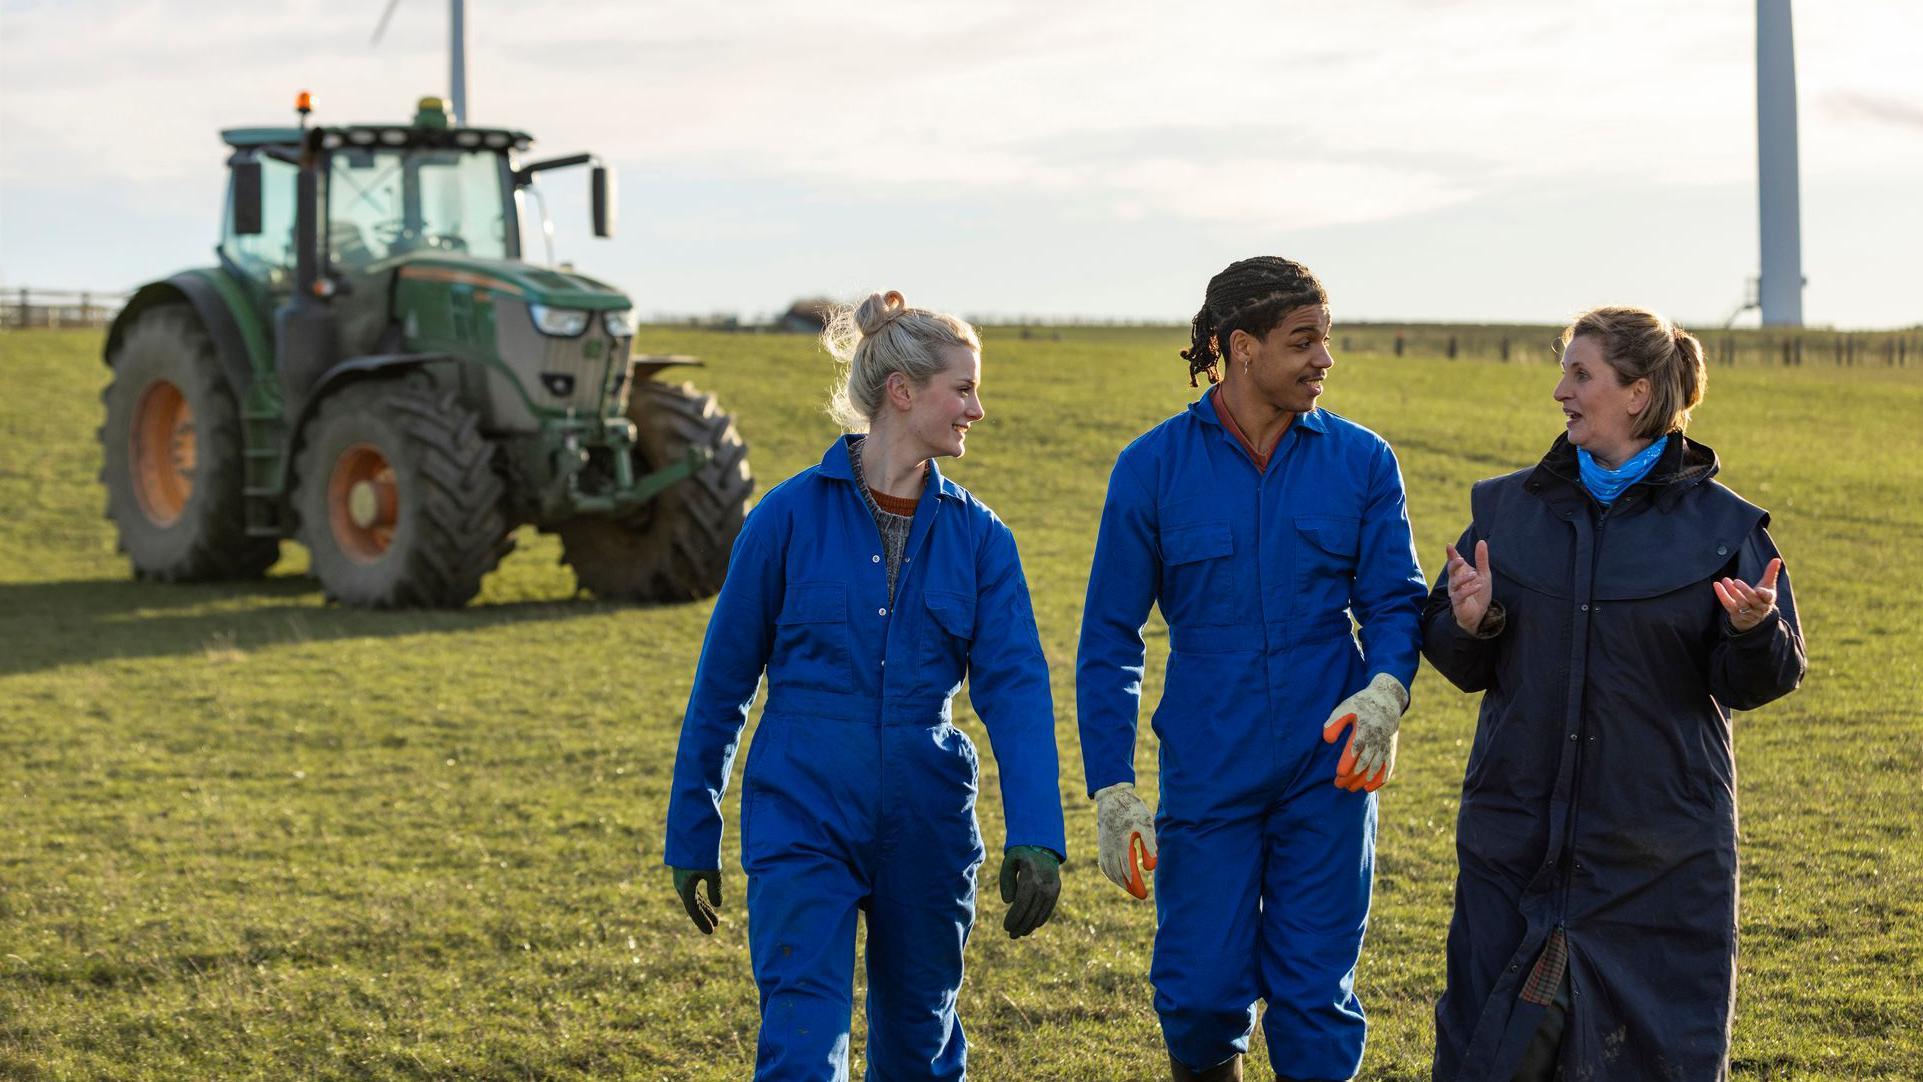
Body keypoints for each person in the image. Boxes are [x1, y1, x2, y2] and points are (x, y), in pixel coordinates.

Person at [663, 291, 1067, 1080]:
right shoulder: (782, 519)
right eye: (964, 388)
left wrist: (1036, 831)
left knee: (919, 1042)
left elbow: (1015, 692)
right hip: (801, 808)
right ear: (902, 391)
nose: (977, 410)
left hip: (927, 817)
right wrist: (691, 831)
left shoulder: (982, 540)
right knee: (801, 1045)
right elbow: (721, 688)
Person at [1423, 306, 1807, 1081]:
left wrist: (1750, 633)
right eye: (1562, 369)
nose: (1559, 390)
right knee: (1490, 1051)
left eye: (1579, 373)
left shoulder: (1721, 527)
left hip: (1655, 854)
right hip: (1516, 838)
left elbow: (1762, 679)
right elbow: (1455, 656)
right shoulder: (1507, 511)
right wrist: (1472, 619)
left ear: (1635, 394)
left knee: (1645, 1059)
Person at [1076, 257, 1428, 1082]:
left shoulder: (1361, 462)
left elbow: (1393, 601)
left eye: (1326, 340)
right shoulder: (1151, 468)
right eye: (1302, 341)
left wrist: (1384, 691)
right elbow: (1108, 637)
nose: (1323, 360)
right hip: (1209, 764)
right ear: (1240, 347)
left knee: (1312, 998)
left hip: (1328, 768)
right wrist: (1112, 787)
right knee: (1198, 996)